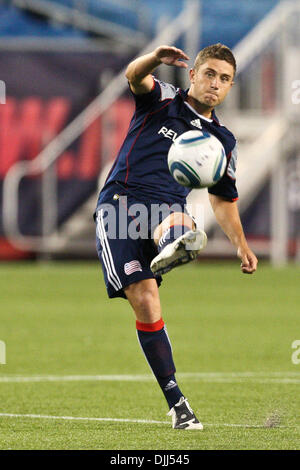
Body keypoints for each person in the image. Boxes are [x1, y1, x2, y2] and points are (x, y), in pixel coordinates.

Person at [94, 44, 258, 430]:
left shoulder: (223, 142)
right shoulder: (163, 101)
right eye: (209, 74)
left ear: (230, 86)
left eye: (224, 79)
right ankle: (177, 402)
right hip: (121, 205)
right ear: (193, 75)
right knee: (146, 302)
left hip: (167, 211)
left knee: (178, 224)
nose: (214, 84)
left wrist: (241, 244)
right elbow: (133, 76)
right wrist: (154, 58)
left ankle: (176, 242)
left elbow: (222, 198)